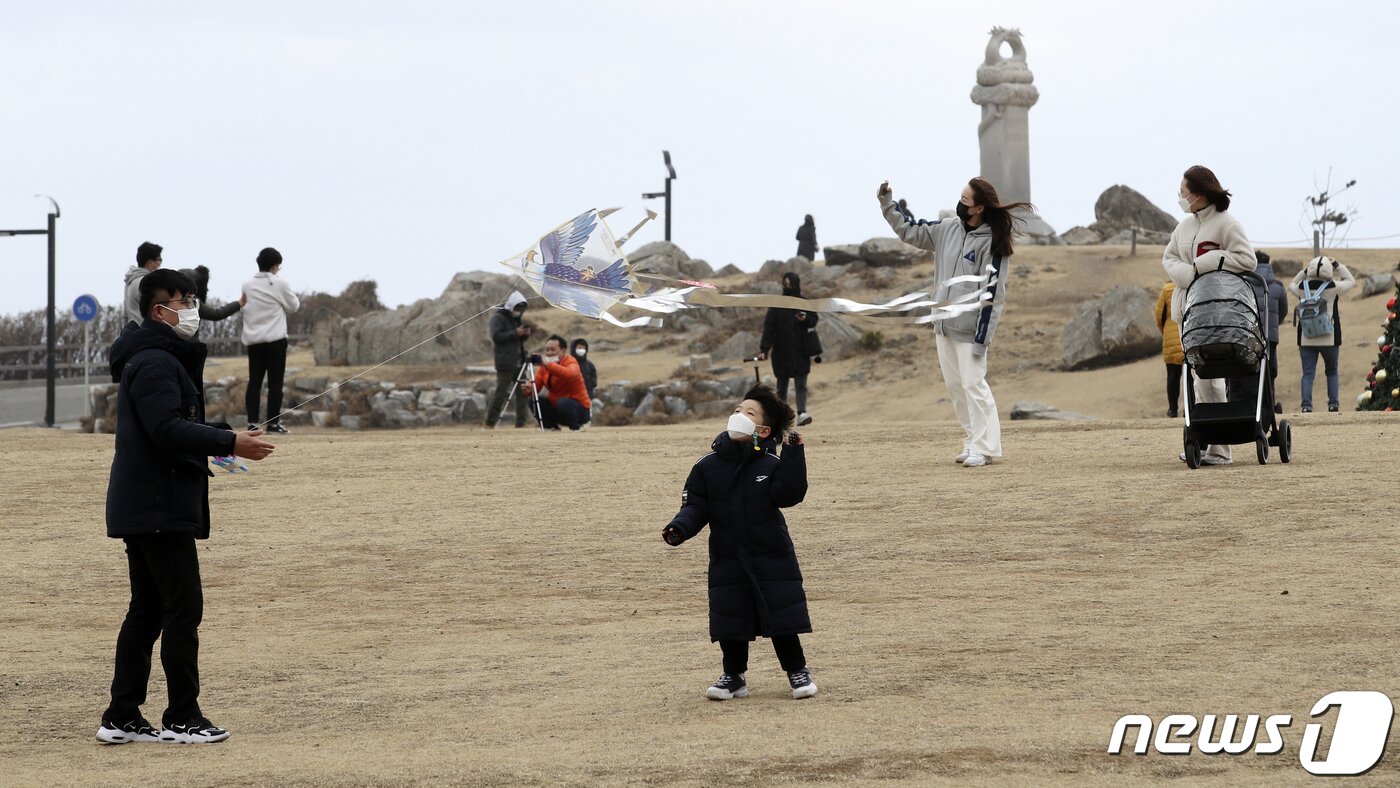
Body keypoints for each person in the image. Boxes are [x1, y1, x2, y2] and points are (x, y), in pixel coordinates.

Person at [99, 268, 275, 746]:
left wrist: (224, 436)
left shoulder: (156, 357)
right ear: (160, 310)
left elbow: (173, 423)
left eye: (194, 300)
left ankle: (121, 714)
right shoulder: (155, 360)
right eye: (185, 301)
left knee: (150, 607)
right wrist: (228, 442)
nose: (193, 310)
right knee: (181, 606)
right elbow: (165, 430)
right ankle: (182, 715)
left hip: (150, 502)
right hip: (156, 506)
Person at [661, 384, 816, 701]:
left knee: (781, 616)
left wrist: (795, 453)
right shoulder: (707, 466)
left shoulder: (772, 464)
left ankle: (797, 671)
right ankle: (733, 677)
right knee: (730, 617)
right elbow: (696, 506)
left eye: (749, 413)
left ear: (763, 429)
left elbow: (790, 494)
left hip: (770, 553)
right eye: (736, 410)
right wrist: (679, 527)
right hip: (727, 555)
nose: (738, 416)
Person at [878, 177, 1024, 467]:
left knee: (974, 385)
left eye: (965, 200)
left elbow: (993, 296)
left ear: (979, 208)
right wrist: (887, 202)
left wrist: (982, 339)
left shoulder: (993, 244)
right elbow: (909, 230)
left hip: (970, 332)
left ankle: (986, 447)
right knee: (957, 388)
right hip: (943, 326)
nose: (960, 203)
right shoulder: (946, 229)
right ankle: (972, 439)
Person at [1163, 165, 1257, 465]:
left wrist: (1211, 261)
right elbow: (1169, 257)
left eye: (1184, 190)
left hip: (1218, 313)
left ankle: (1219, 448)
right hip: (1187, 312)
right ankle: (1201, 441)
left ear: (1199, 194)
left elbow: (1247, 259)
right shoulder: (1184, 226)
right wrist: (1187, 274)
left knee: (1211, 377)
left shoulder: (1227, 224)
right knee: (1194, 379)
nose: (1180, 195)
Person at [240, 248, 300, 434]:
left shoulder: (247, 285)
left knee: (254, 382)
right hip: (275, 339)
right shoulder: (279, 283)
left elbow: (244, 307)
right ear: (275, 266)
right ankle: (273, 424)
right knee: (275, 383)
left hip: (254, 340)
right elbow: (293, 306)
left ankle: (252, 423)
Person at [1289, 255, 1355, 413]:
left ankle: (1306, 406)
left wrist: (1305, 271)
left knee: (1307, 373)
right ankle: (1333, 404)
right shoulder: (1334, 287)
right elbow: (1351, 280)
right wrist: (1337, 265)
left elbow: (1291, 283)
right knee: (1332, 371)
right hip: (1329, 338)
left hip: (1306, 337)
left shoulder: (1300, 287)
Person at [758, 272, 818, 426]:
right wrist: (764, 349)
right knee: (781, 386)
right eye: (785, 283)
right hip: (781, 352)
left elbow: (814, 320)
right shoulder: (777, 304)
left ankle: (802, 414)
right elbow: (769, 328)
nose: (787, 286)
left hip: (801, 351)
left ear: (796, 284)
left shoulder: (803, 302)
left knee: (801, 384)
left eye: (789, 283)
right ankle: (781, 416)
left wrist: (804, 319)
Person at [485, 291, 532, 428]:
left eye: (521, 310)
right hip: (505, 362)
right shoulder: (498, 318)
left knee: (523, 393)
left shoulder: (515, 320)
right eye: (517, 309)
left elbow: (517, 340)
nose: (519, 312)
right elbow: (497, 337)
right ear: (511, 306)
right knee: (500, 393)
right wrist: (515, 333)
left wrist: (524, 335)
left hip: (519, 361)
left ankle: (521, 423)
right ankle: (490, 423)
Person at [525, 335, 591, 431]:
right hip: (559, 409)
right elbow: (536, 387)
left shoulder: (571, 362)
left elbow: (569, 374)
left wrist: (548, 364)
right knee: (534, 401)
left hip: (579, 410)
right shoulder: (544, 367)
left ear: (563, 350)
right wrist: (529, 388)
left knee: (563, 402)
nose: (549, 353)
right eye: (547, 350)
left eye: (553, 350)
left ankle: (576, 428)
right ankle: (550, 427)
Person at [1255, 251, 1288, 413]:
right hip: (1271, 335)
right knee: (1270, 369)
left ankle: (1254, 402)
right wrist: (1275, 323)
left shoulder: (1245, 283)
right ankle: (1270, 403)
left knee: (1251, 368)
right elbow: (1284, 311)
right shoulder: (1278, 287)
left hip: (1250, 335)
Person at [177, 265, 247, 340]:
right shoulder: (192, 302)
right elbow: (216, 314)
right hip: (189, 347)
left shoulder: (168, 302)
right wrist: (239, 303)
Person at [1153, 281, 1184, 418]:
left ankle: (1172, 409)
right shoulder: (1191, 284)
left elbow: (1159, 316)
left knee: (1172, 377)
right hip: (1188, 336)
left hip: (1170, 339)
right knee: (1191, 376)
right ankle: (1191, 408)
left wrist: (1165, 332)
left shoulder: (1167, 289)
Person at [123, 242, 163, 325]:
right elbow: (156, 313)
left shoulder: (131, 280)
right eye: (159, 260)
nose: (160, 264)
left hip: (133, 332)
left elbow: (125, 315)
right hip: (147, 334)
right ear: (150, 262)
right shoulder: (145, 283)